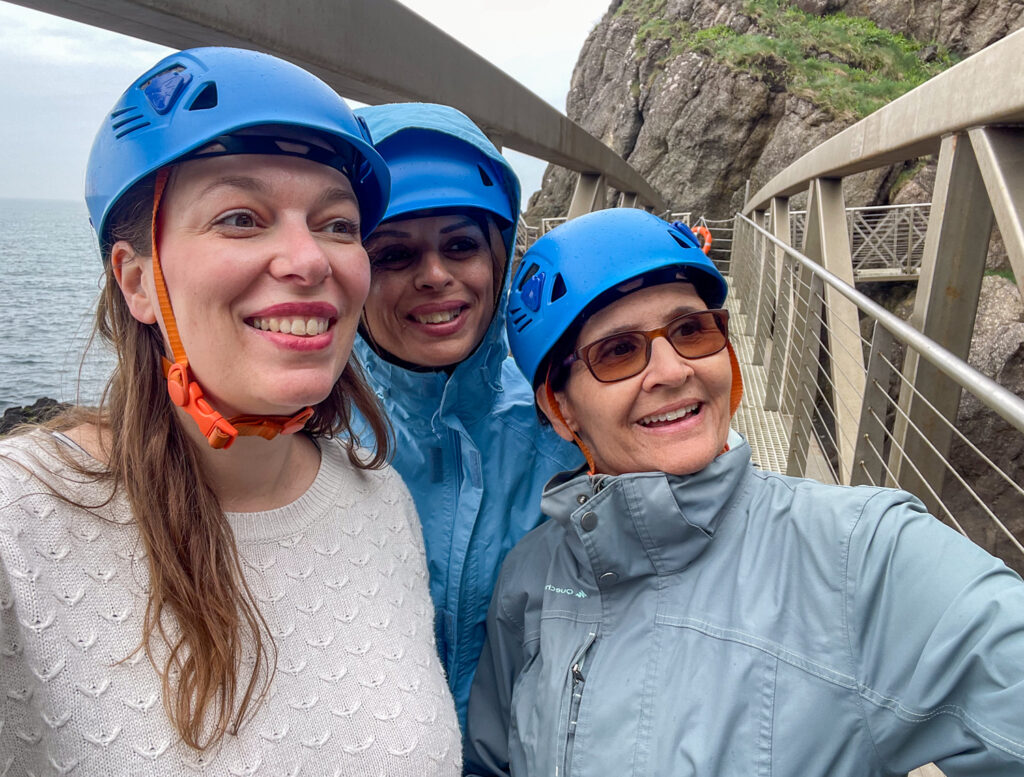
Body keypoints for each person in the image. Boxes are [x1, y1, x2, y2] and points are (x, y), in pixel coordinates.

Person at [0, 48, 461, 775]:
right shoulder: (22, 517)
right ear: (138, 280)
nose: (309, 259)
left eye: (338, 225)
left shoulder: (379, 501)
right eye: (242, 217)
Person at [464, 208, 1024, 776]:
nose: (672, 370)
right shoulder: (532, 576)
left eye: (691, 330)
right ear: (560, 410)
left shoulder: (859, 552)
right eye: (617, 351)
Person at [351, 103, 582, 726]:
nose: (435, 276)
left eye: (460, 245)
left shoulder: (568, 420)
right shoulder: (300, 437)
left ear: (500, 260)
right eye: (394, 254)